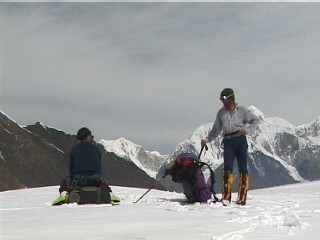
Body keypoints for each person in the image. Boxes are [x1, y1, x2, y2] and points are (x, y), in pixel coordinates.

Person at [201, 88, 260, 206]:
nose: (222, 101)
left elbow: (255, 120)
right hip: (228, 141)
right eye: (221, 98)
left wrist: (248, 130)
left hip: (240, 140)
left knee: (243, 168)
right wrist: (207, 139)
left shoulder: (242, 111)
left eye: (224, 98)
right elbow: (216, 129)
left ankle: (242, 198)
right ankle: (226, 197)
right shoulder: (221, 113)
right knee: (227, 168)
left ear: (230, 98)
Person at [56, 127, 120, 203]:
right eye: (91, 136)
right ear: (87, 136)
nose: (92, 138)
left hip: (77, 180)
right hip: (95, 179)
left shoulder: (74, 150)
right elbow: (98, 168)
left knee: (64, 181)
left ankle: (64, 195)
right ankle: (110, 194)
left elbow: (71, 168)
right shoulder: (96, 149)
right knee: (104, 182)